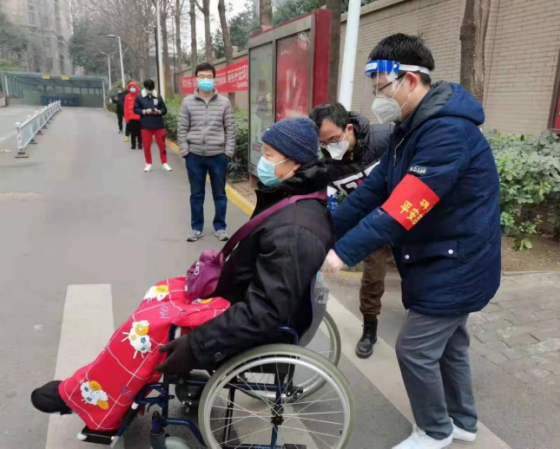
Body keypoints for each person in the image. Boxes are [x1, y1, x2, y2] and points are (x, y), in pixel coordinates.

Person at [30, 118, 333, 432]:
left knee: (147, 329)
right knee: (160, 293)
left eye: (269, 155)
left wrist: (197, 345)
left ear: (295, 162)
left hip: (254, 315)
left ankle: (89, 394)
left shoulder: (295, 229)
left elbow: (266, 312)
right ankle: (101, 384)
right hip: (243, 294)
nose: (262, 161)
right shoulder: (293, 199)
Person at [321, 34, 501, 449]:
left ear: (412, 80)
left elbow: (405, 207)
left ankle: (434, 431)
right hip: (443, 256)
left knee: (415, 350)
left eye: (382, 88)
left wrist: (342, 252)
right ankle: (462, 422)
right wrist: (328, 226)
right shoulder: (410, 128)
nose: (378, 99)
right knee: (451, 346)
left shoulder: (447, 132)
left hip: (457, 262)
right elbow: (375, 189)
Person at [310, 102, 392, 358]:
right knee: (372, 278)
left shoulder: (386, 138)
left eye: (334, 140)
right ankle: (369, 328)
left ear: (348, 128)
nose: (330, 147)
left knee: (415, 271)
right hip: (371, 227)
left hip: (405, 215)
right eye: (323, 144)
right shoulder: (330, 167)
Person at [178, 62, 236, 243]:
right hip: (194, 156)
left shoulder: (224, 102)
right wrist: (185, 151)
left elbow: (230, 128)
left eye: (209, 77)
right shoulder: (187, 102)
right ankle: (196, 228)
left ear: (214, 79)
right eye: (202, 77)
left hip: (218, 156)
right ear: (196, 78)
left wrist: (228, 152)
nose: (205, 80)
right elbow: (182, 128)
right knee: (196, 195)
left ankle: (220, 227)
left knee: (220, 194)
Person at [134, 79, 171, 173]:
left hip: (158, 125)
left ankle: (164, 163)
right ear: (145, 87)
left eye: (151, 89)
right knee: (146, 146)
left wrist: (158, 111)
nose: (150, 90)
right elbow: (135, 109)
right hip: (145, 126)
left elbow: (164, 110)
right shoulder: (139, 97)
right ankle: (148, 163)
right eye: (148, 89)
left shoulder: (158, 96)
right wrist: (144, 111)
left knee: (162, 146)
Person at [124, 81, 142, 151]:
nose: (132, 88)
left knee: (139, 132)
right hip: (131, 118)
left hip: (139, 118)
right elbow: (125, 108)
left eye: (133, 87)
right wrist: (126, 118)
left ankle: (140, 144)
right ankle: (133, 145)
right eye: (130, 87)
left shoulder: (140, 96)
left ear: (136, 87)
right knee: (132, 133)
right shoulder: (127, 96)